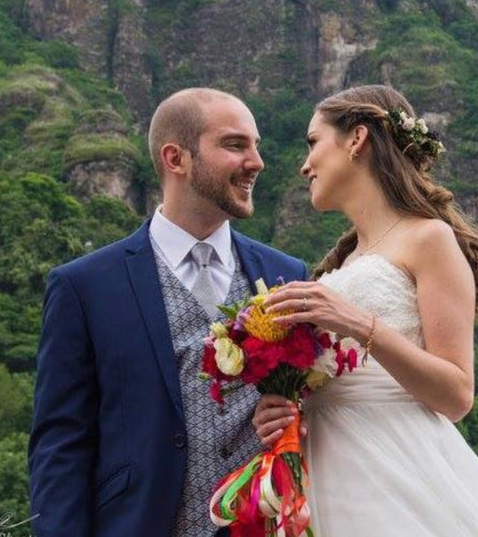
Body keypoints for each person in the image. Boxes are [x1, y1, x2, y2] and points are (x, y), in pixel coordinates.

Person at [28, 88, 308, 536]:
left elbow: (314, 406)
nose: (256, 162)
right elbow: (61, 445)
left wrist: (297, 420)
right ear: (176, 158)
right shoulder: (84, 286)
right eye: (236, 145)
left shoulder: (285, 275)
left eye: (256, 146)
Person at [257, 84, 478, 535]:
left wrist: (356, 323)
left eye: (313, 143)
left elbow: (457, 394)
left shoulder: (430, 239)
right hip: (322, 471)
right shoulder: (342, 261)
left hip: (394, 467)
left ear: (356, 140)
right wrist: (286, 405)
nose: (305, 165)